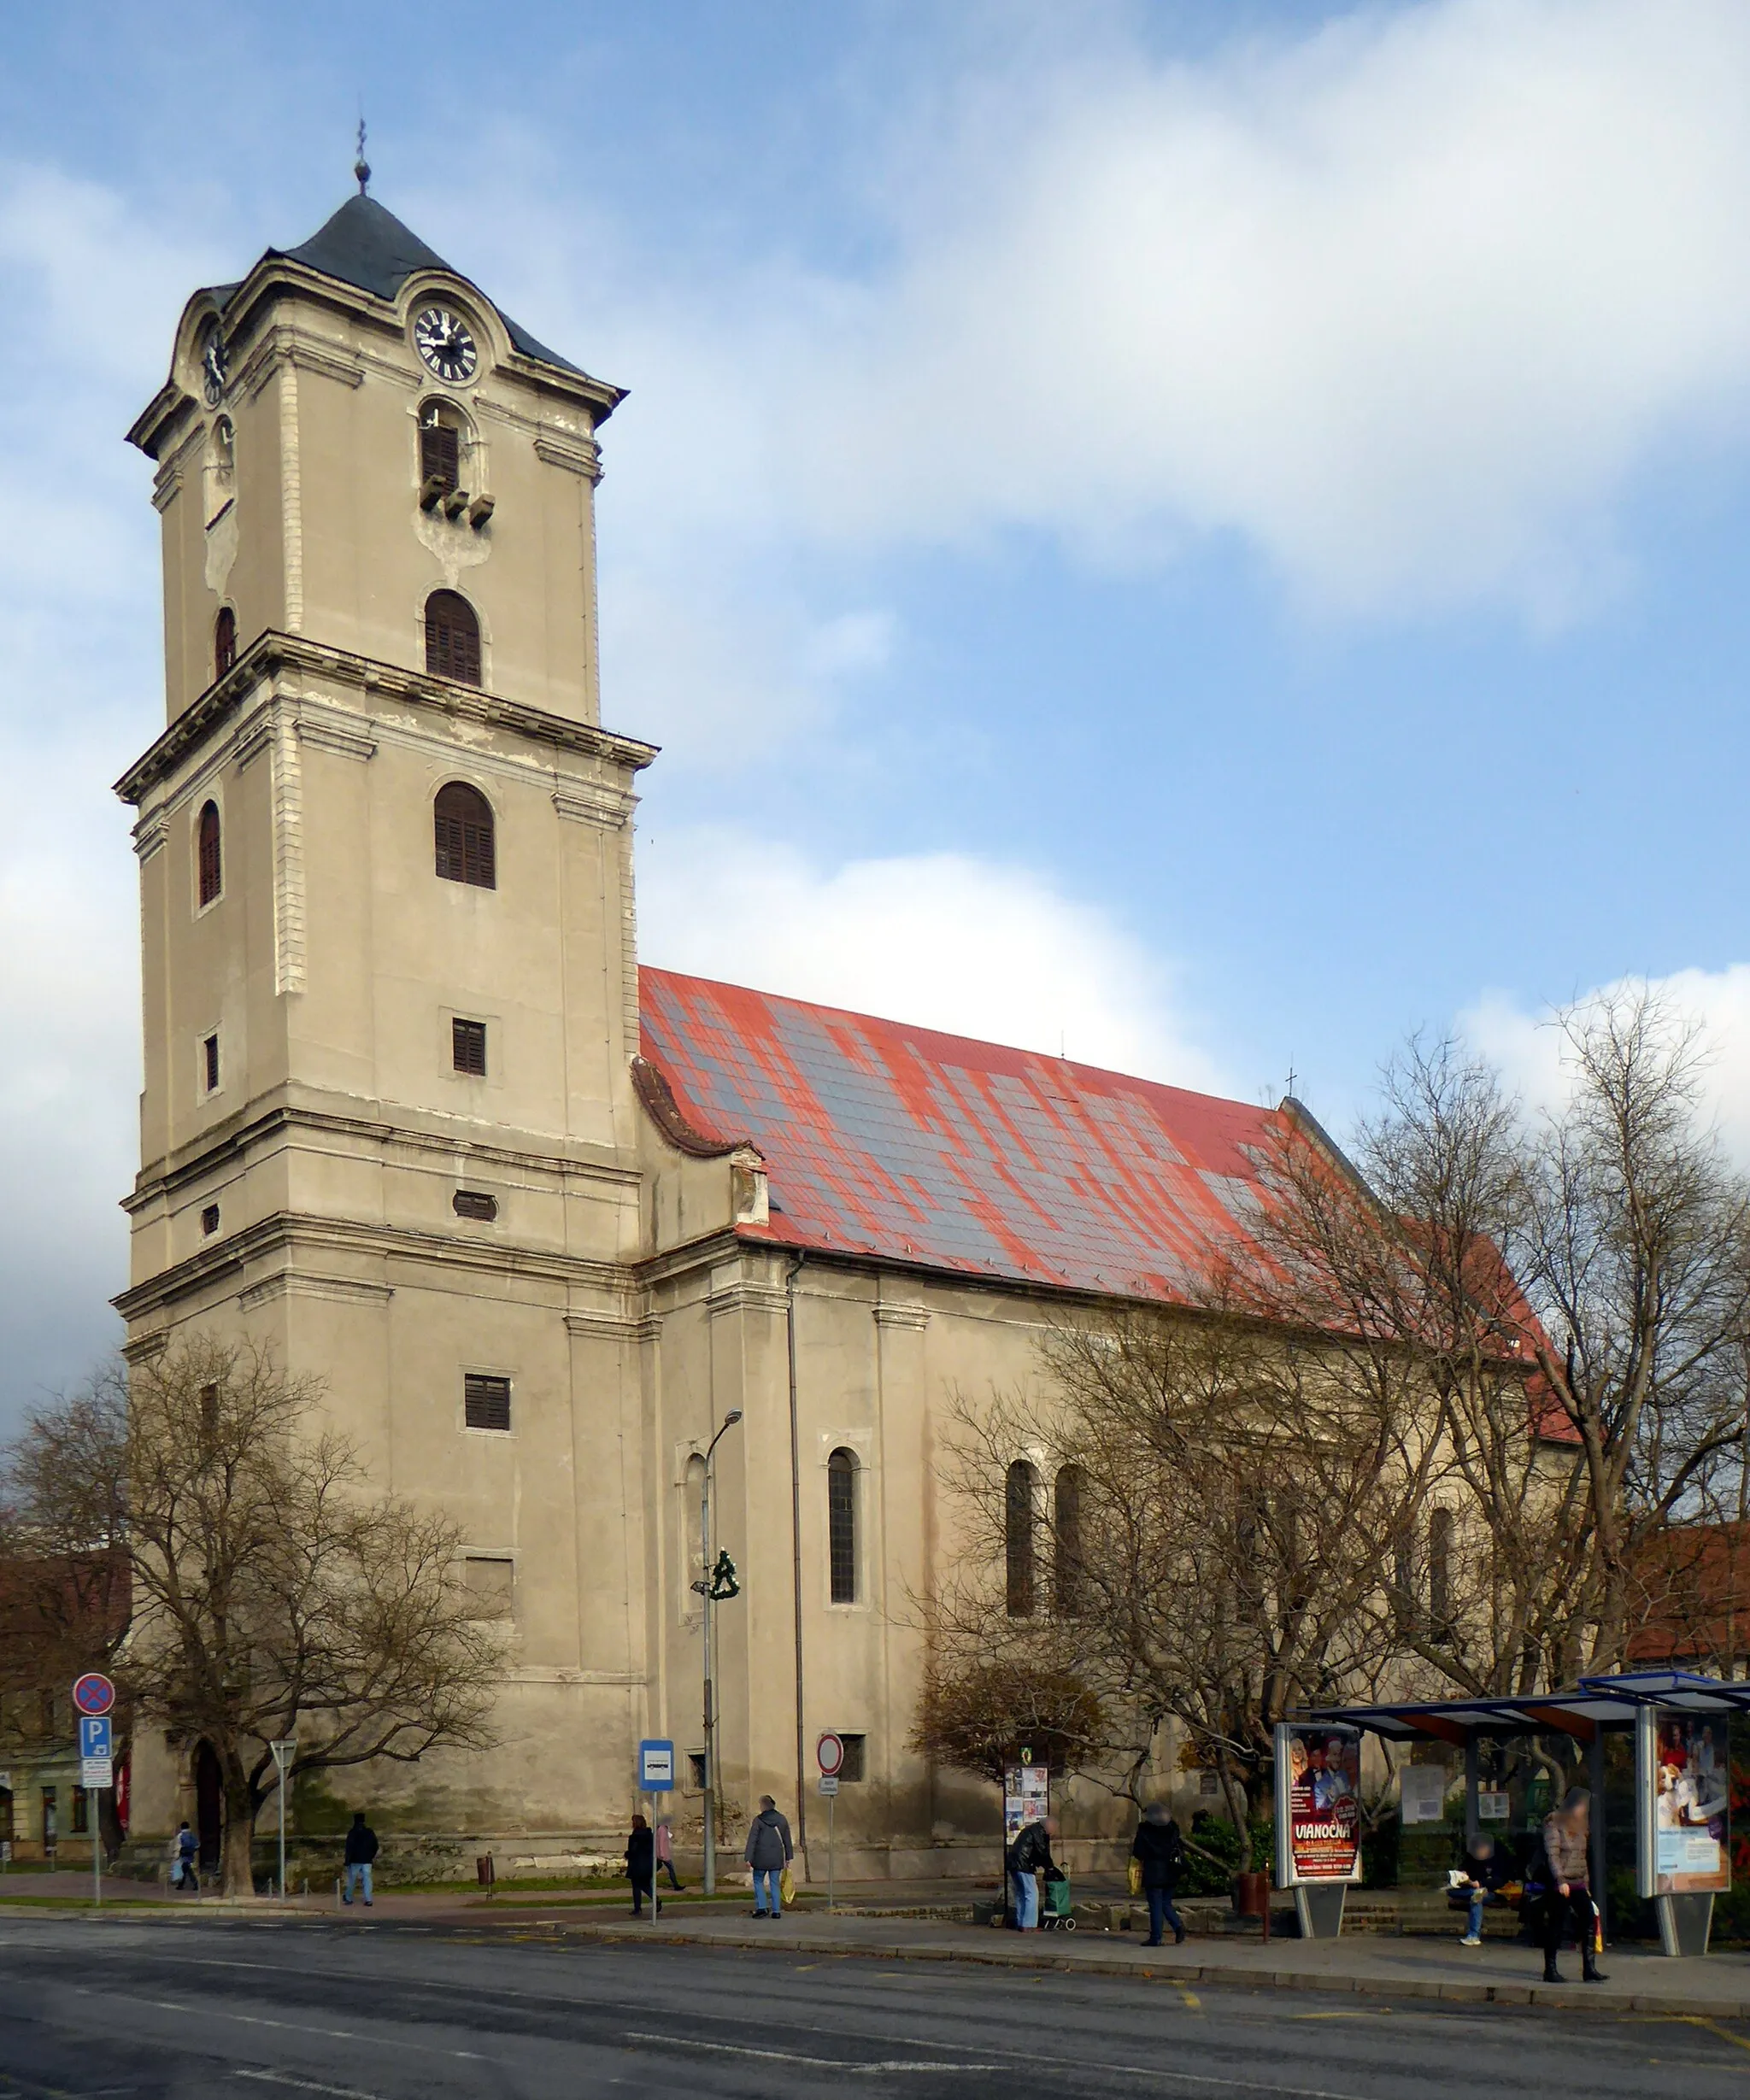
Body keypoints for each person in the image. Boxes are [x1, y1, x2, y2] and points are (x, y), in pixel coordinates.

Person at [1539, 1786, 1605, 1984]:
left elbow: (1582, 1858)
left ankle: (1589, 1968)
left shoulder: (1581, 1826)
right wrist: (1560, 1880)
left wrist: (1586, 1884)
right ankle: (1550, 1969)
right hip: (1560, 1882)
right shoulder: (1555, 1824)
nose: (1584, 1810)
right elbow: (1553, 1854)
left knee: (1589, 1919)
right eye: (1582, 1805)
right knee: (1556, 1924)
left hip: (1577, 1881)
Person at [1130, 1803, 1187, 1947]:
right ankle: (1178, 1926)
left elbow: (1138, 1852)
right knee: (1166, 1902)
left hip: (1154, 1871)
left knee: (1155, 1905)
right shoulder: (1173, 1828)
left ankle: (1156, 1937)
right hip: (1171, 1870)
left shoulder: (1145, 1830)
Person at [1456, 1831, 1510, 1946]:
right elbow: (1464, 1868)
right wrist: (1463, 1874)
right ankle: (1474, 1892)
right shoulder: (1472, 1858)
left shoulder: (1497, 1860)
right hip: (1470, 1888)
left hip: (1490, 1891)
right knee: (1461, 1892)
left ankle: (1474, 1935)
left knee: (1476, 1898)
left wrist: (1480, 1883)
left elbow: (1499, 1880)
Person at [743, 1795, 793, 1917]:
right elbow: (787, 1839)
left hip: (760, 1857)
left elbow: (752, 1840)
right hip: (777, 1857)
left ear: (763, 1806)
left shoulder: (758, 1820)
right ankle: (776, 1911)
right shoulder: (782, 1819)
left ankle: (762, 1907)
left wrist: (748, 1857)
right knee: (775, 1883)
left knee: (758, 1880)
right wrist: (788, 1857)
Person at [1007, 1815, 1059, 1931]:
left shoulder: (1031, 1829)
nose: (1053, 1832)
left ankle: (1021, 1922)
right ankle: (1029, 1925)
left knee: (1021, 1894)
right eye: (1053, 1829)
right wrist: (1049, 1867)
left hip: (1013, 1863)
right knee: (1032, 1894)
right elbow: (1042, 1851)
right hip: (1024, 1864)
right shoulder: (1039, 1833)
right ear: (1049, 1826)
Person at [342, 1810, 379, 1907]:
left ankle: (348, 1898)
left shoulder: (353, 1832)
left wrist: (347, 1860)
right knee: (367, 1880)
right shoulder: (369, 1832)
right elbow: (375, 1845)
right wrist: (371, 1856)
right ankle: (368, 1899)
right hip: (367, 1860)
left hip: (355, 1860)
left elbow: (349, 1847)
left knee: (352, 1880)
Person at [625, 1812, 658, 1916]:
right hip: (648, 1864)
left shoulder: (634, 1837)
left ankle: (637, 1908)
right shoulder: (650, 1835)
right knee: (645, 1885)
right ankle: (655, 1899)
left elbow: (633, 1852)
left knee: (636, 1886)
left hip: (637, 1866)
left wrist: (627, 1854)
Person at [655, 1815, 684, 1892]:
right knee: (671, 1869)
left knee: (657, 1867)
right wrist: (662, 1854)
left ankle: (646, 1880)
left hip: (660, 1854)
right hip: (663, 1854)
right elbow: (661, 1842)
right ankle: (676, 1885)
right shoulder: (662, 1829)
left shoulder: (662, 1829)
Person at [171, 1821, 198, 1894]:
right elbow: (197, 1845)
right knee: (185, 1870)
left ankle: (195, 1884)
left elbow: (178, 1846)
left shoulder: (180, 1836)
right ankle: (181, 1885)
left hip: (183, 1855)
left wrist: (176, 1856)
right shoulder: (192, 1835)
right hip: (191, 1855)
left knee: (187, 1870)